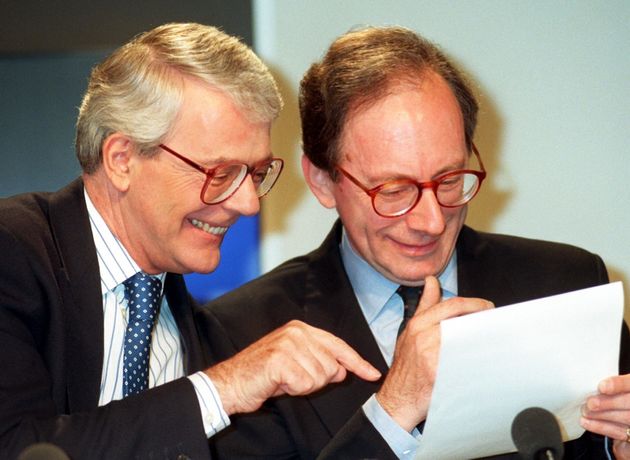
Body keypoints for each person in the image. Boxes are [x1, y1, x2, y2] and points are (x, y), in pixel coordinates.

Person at [199, 26, 630, 459]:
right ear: (322, 181)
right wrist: (394, 409)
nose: (431, 221)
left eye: (449, 180)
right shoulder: (241, 337)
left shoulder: (568, 283)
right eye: (393, 190)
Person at [0, 23, 382, 460]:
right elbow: (16, 447)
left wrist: (396, 410)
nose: (247, 205)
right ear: (122, 159)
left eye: (255, 175)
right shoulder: (12, 252)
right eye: (220, 174)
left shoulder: (197, 324)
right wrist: (222, 388)